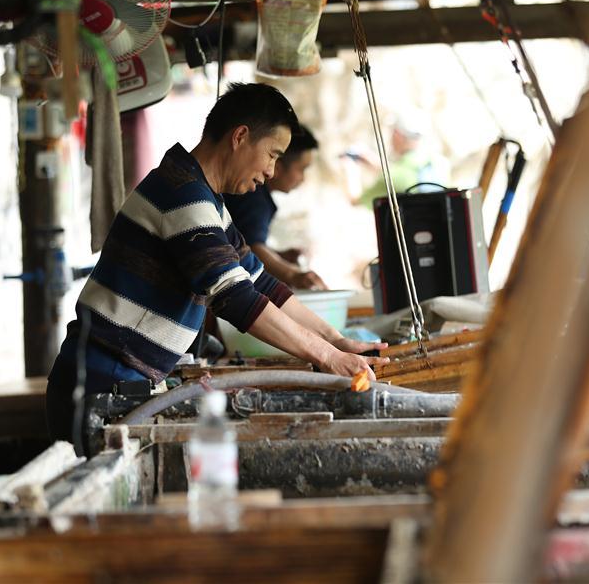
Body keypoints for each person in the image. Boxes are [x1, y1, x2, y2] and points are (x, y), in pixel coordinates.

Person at [46, 83, 387, 444]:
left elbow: (259, 282)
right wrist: (326, 356)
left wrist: (336, 341)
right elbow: (234, 297)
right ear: (240, 136)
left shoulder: (205, 199)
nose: (272, 171)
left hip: (117, 377)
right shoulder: (183, 194)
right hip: (100, 381)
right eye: (272, 154)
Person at [223, 125, 327, 290]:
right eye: (301, 169)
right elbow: (253, 248)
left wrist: (279, 256)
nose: (303, 178)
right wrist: (292, 274)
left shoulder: (258, 197)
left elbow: (241, 243)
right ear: (277, 167)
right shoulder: (254, 197)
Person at [355, 113, 449, 209]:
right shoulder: (440, 165)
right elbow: (405, 174)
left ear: (397, 135)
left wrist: (349, 169)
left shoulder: (391, 178)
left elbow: (355, 201)